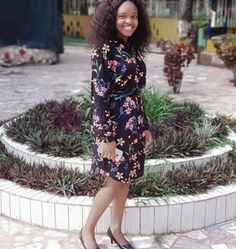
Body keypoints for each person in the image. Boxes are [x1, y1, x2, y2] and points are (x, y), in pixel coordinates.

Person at [80, 1, 152, 248]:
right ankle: (87, 231)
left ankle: (116, 229)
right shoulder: (104, 50)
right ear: (111, 18)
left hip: (133, 126)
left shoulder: (133, 50)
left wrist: (145, 126)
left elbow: (137, 93)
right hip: (113, 129)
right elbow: (99, 97)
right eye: (123, 16)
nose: (129, 21)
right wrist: (105, 137)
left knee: (126, 179)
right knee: (113, 183)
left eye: (133, 16)